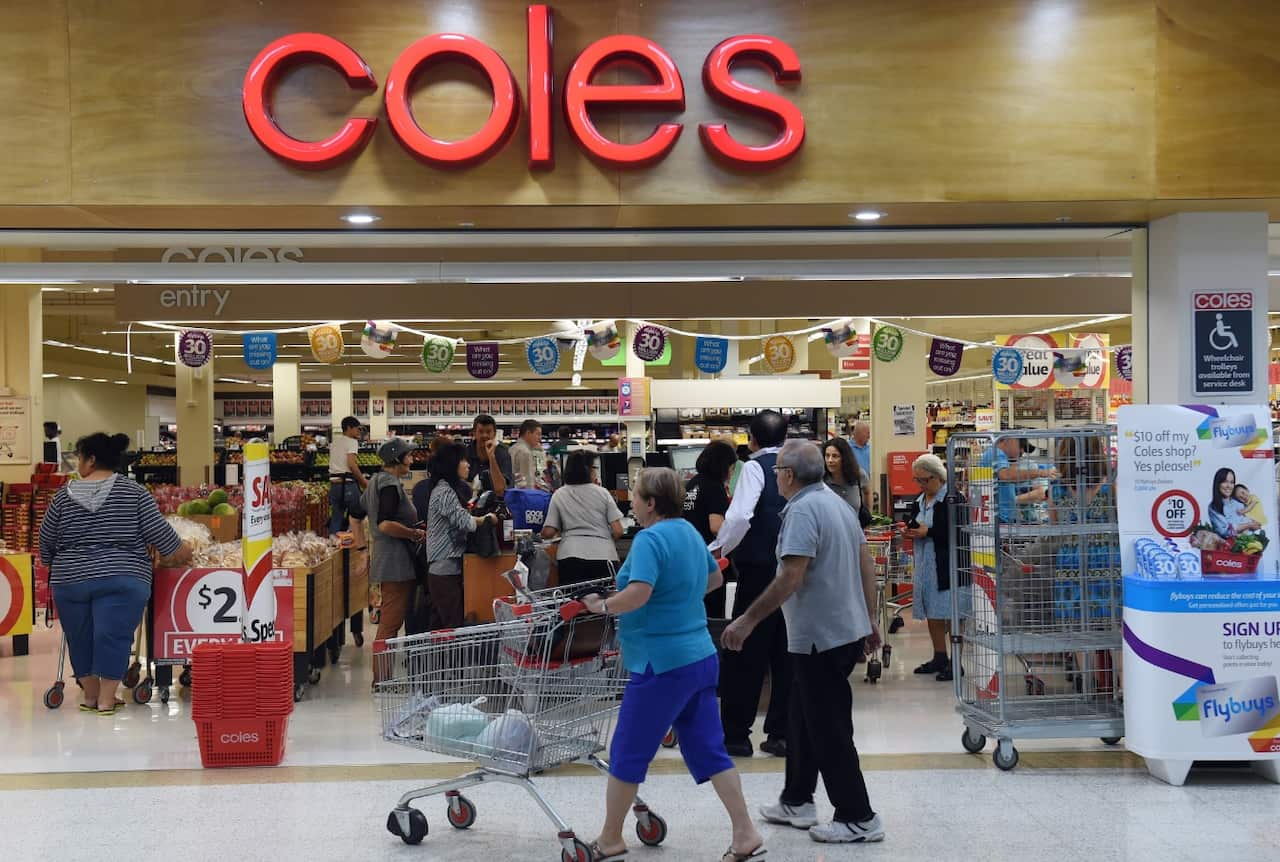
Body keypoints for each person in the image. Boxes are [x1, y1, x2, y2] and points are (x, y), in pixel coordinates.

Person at [581, 468, 764, 862]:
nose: (631, 500)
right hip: (699, 655)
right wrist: (678, 598)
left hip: (659, 663)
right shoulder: (689, 533)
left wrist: (604, 606)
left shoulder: (649, 539)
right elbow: (714, 581)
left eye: (635, 494)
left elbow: (640, 593)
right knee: (711, 751)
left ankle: (611, 837)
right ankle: (745, 832)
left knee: (627, 752)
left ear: (651, 503)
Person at [722, 440, 885, 845]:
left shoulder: (801, 510)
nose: (775, 475)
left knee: (828, 727)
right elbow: (866, 562)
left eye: (777, 469)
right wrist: (870, 618)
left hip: (820, 637)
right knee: (800, 717)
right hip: (840, 631)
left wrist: (747, 620)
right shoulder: (837, 504)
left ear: (789, 475)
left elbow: (791, 576)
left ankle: (858, 816)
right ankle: (797, 800)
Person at [38, 433, 193, 714]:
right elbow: (165, 540)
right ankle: (108, 699)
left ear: (91, 460)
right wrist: (187, 551)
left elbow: (46, 540)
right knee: (114, 636)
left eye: (80, 458)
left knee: (79, 635)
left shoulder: (62, 497)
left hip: (70, 579)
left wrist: (56, 563)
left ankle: (90, 697)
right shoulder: (134, 493)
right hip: (122, 577)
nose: (78, 464)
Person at [711, 410, 791, 759]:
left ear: (752, 440)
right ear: (786, 438)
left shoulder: (755, 468)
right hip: (794, 574)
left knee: (744, 651)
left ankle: (736, 735)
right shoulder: (797, 469)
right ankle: (782, 732)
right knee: (787, 654)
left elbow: (741, 516)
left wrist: (717, 548)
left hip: (758, 574)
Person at [365, 438, 424, 682]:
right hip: (395, 560)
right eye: (408, 456)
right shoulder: (389, 483)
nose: (411, 460)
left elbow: (358, 512)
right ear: (397, 458)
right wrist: (412, 533)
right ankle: (382, 679)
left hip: (385, 555)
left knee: (391, 618)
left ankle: (383, 676)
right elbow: (385, 523)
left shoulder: (374, 482)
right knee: (391, 621)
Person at [426, 441, 498, 629]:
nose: (467, 464)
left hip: (446, 569)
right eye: (462, 460)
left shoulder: (447, 489)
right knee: (452, 625)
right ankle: (448, 659)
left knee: (441, 626)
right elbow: (465, 522)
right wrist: (487, 518)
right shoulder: (444, 491)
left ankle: (441, 659)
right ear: (452, 464)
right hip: (445, 569)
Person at [903, 454, 956, 681]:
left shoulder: (953, 498)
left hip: (948, 566)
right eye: (918, 481)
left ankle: (957, 662)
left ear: (938, 476)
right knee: (932, 612)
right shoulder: (920, 500)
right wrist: (910, 530)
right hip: (926, 565)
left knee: (953, 612)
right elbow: (916, 521)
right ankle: (939, 656)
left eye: (924, 480)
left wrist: (929, 532)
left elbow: (956, 531)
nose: (921, 485)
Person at [541, 449, 624, 586]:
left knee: (573, 604)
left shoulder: (559, 494)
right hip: (604, 556)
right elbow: (618, 531)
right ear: (588, 470)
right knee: (604, 604)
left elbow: (549, 532)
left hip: (570, 556)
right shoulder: (603, 493)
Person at [683, 440, 739, 617]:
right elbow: (716, 526)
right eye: (731, 468)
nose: (731, 473)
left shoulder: (692, 484)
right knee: (712, 615)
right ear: (723, 466)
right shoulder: (714, 487)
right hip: (709, 560)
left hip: (689, 557)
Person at [980, 435, 1058, 524]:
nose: (1021, 451)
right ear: (1008, 440)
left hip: (1002, 515)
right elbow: (1005, 475)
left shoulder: (999, 456)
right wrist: (1040, 472)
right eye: (1019, 445)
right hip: (998, 516)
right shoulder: (995, 453)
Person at [1050, 436, 1113, 525]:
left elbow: (1053, 527)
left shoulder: (1056, 488)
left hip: (1066, 538)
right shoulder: (1111, 485)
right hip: (1107, 538)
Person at [329, 416, 369, 534]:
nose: (358, 431)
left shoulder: (335, 442)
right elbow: (351, 464)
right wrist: (363, 482)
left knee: (336, 519)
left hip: (334, 486)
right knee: (358, 517)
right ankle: (355, 548)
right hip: (348, 485)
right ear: (348, 428)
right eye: (356, 428)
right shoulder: (352, 442)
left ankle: (334, 548)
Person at [822, 437, 872, 523]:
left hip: (854, 531)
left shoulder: (858, 474)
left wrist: (869, 512)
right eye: (827, 456)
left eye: (835, 456)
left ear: (844, 458)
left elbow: (867, 492)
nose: (830, 460)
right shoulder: (821, 479)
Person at [465, 414, 512, 497]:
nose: (484, 435)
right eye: (481, 431)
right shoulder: (466, 453)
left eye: (488, 432)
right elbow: (459, 485)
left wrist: (492, 457)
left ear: (494, 434)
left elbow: (501, 490)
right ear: (474, 433)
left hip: (496, 504)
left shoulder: (503, 454)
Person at [1207, 468, 1260, 537]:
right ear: (1218, 483)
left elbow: (1248, 519)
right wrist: (1248, 525)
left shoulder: (1238, 502)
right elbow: (1225, 531)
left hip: (1252, 541)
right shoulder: (1214, 507)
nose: (1228, 486)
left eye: (1232, 482)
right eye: (1225, 482)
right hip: (1232, 545)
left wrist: (1254, 524)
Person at [509, 419, 550, 491]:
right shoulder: (525, 452)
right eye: (538, 434)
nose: (540, 438)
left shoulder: (513, 448)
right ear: (528, 433)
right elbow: (527, 483)